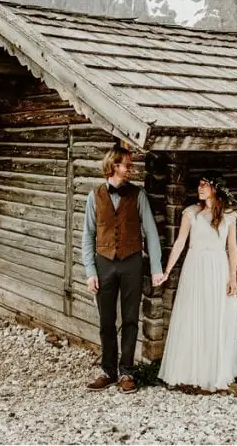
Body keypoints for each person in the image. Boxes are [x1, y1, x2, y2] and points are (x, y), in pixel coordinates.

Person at [81, 144, 164, 394]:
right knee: (106, 320)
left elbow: (150, 233)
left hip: (132, 263)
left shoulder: (138, 196)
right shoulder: (94, 196)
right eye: (128, 165)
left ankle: (127, 372)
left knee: (130, 319)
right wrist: (90, 271)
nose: (131, 169)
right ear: (114, 165)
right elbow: (87, 236)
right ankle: (108, 371)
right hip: (104, 263)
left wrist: (156, 267)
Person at [157, 171, 237, 391]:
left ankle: (225, 368)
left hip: (219, 266)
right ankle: (193, 369)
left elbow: (232, 247)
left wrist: (233, 277)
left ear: (215, 189)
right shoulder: (192, 213)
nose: (200, 188)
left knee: (219, 315)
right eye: (199, 184)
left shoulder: (229, 215)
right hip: (196, 266)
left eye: (205, 184)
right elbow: (180, 243)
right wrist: (167, 270)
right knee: (196, 314)